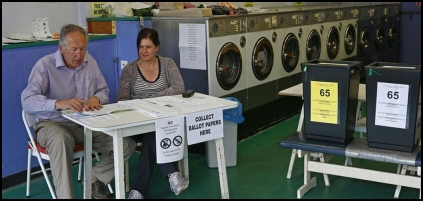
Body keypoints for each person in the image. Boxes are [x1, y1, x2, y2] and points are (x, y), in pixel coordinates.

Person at [21, 24, 136, 199]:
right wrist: (59, 103)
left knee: (126, 143)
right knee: (61, 139)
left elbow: (103, 91)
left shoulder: (89, 61)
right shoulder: (45, 65)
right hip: (52, 124)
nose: (79, 55)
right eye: (74, 49)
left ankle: (94, 179)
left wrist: (95, 99)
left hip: (86, 122)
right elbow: (27, 101)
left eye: (83, 49)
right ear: (61, 48)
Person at [118, 28, 188, 199]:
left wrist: (152, 100)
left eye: (148, 47)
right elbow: (122, 99)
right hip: (137, 121)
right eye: (141, 47)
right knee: (152, 131)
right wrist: (143, 106)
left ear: (157, 47)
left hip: (165, 119)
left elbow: (179, 88)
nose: (144, 51)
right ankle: (172, 174)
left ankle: (139, 192)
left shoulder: (167, 64)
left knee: (154, 132)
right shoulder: (130, 69)